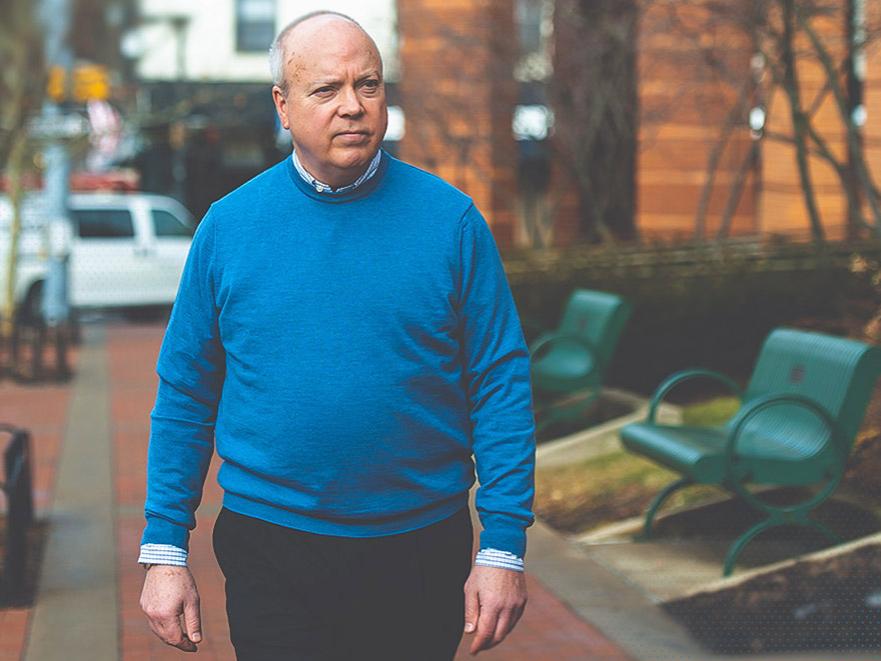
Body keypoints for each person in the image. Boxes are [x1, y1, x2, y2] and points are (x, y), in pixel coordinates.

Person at [138, 10, 536, 660]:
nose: (352, 105)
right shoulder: (229, 228)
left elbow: (500, 384)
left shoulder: (451, 224)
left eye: (369, 84)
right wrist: (163, 550)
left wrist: (502, 546)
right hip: (272, 541)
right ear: (284, 105)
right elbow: (185, 393)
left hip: (418, 544)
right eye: (326, 89)